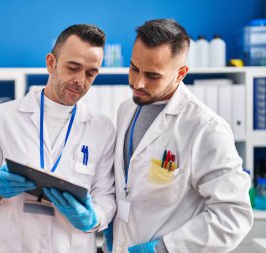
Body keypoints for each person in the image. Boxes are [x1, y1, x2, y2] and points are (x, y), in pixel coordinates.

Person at [103, 19, 253, 253]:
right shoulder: (127, 109)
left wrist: (162, 248)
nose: (138, 82)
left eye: (152, 75)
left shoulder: (205, 128)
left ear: (181, 73)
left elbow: (232, 216)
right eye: (134, 68)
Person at [0, 24, 116, 252]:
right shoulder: (3, 118)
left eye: (90, 73)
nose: (80, 80)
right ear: (51, 63)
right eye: (73, 67)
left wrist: (93, 217)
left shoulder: (102, 128)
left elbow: (107, 197)